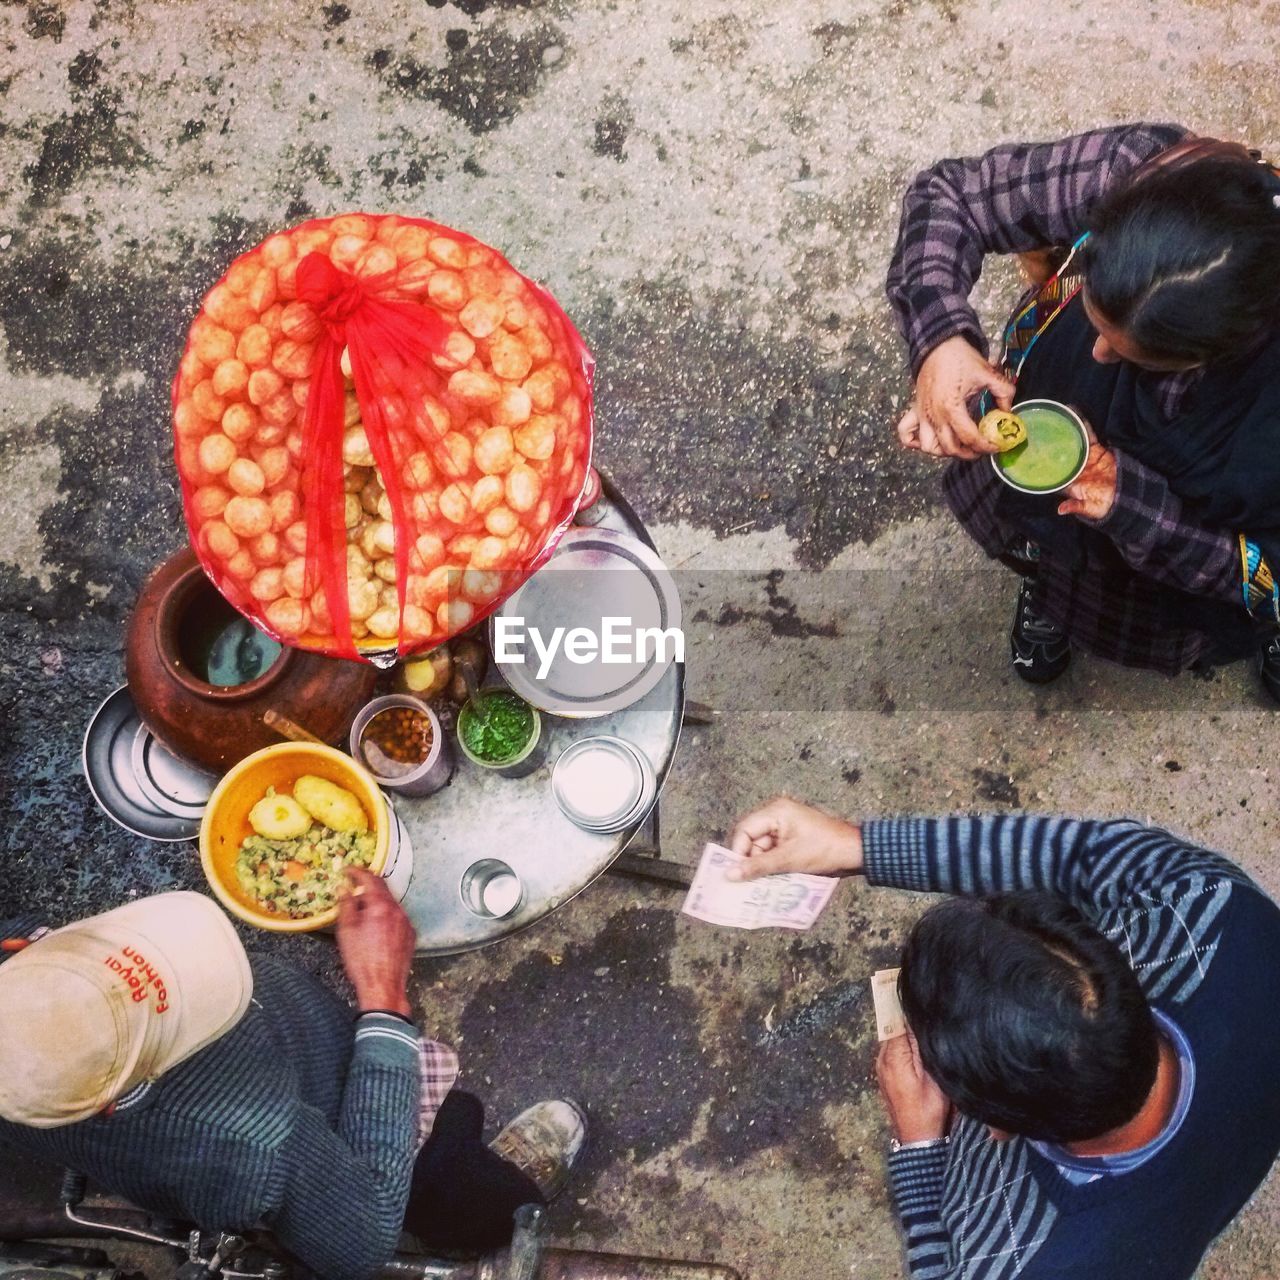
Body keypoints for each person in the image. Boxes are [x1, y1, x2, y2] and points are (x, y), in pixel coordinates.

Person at [727, 795, 1280, 1280]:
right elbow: (1074, 855)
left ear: (994, 1124)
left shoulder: (1044, 1264)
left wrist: (919, 1149)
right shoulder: (1209, 904)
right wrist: (854, 845)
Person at [0, 872, 586, 1280]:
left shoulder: (18, 963)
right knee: (458, 1185)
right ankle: (492, 1212)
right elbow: (360, 1243)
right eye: (165, 1019)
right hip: (337, 1133)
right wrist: (382, 996)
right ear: (118, 1099)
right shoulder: (246, 1137)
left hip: (277, 1078)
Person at [885, 123, 1280, 696]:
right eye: (1097, 321)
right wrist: (940, 341)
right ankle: (1051, 587)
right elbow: (951, 195)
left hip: (1180, 563)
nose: (1095, 353)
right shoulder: (1146, 174)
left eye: (1133, 355)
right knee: (1045, 538)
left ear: (1224, 349)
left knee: (1246, 598)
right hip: (1050, 404)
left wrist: (1130, 505)